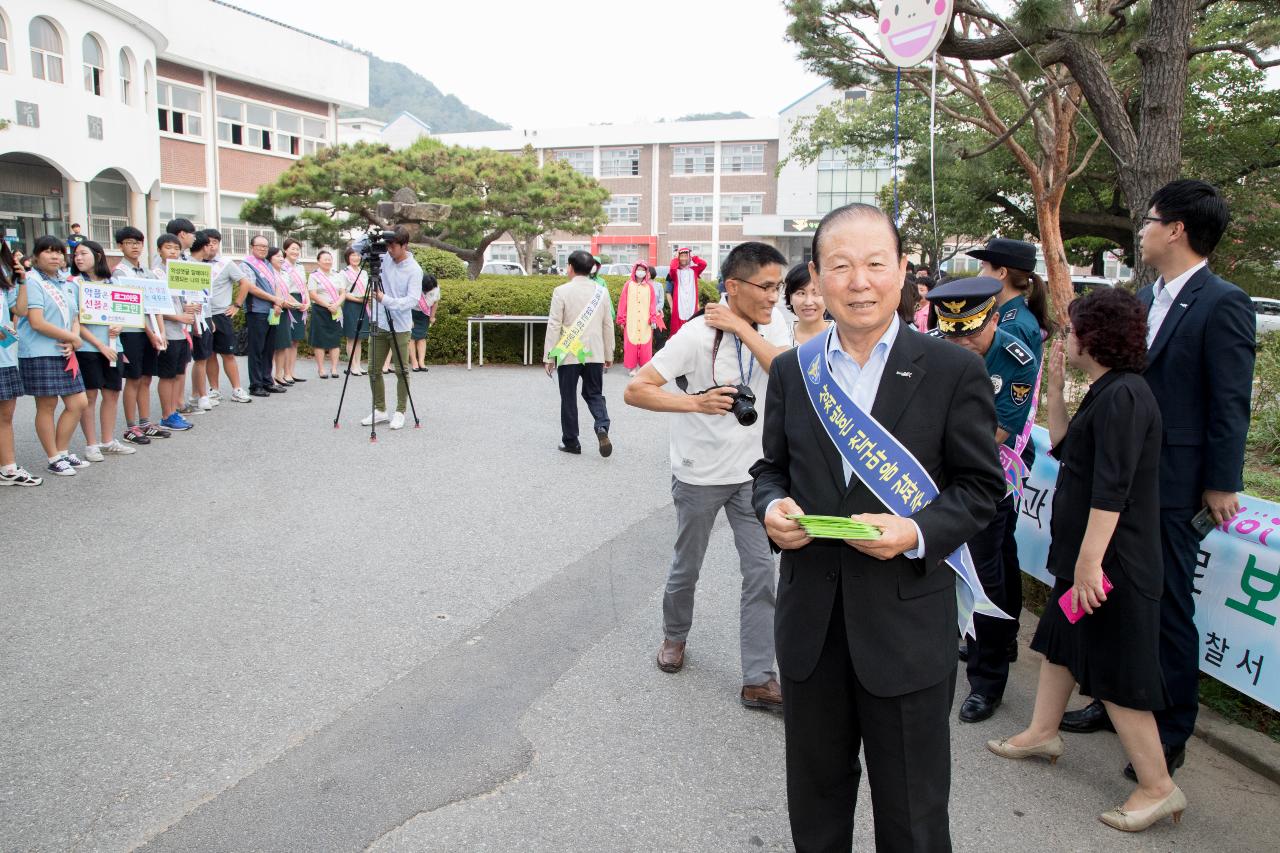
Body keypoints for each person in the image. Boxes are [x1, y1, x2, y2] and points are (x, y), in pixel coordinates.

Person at [750, 204, 1004, 851]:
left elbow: (980, 489)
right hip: (811, 630)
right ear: (817, 275)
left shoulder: (952, 371)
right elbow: (770, 469)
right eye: (841, 265)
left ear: (902, 273)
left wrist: (915, 531)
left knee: (914, 817)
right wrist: (772, 508)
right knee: (816, 807)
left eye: (874, 263)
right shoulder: (792, 370)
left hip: (906, 631)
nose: (858, 280)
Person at [1059, 180, 1257, 782]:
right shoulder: (1143, 297)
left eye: (1148, 221)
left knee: (1164, 607)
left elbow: (1230, 400)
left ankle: (1169, 729)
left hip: (1173, 487)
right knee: (1106, 596)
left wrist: (1221, 482)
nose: (1140, 229)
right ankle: (1112, 699)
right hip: (1121, 479)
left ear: (1176, 229)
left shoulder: (1223, 302)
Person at [988, 286, 1185, 833]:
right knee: (1062, 642)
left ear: (1094, 337)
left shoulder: (1125, 396)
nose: (1066, 338)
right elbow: (1065, 444)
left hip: (1111, 564)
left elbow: (1112, 490)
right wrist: (1054, 387)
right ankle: (1041, 732)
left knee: (1116, 672)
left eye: (1072, 330)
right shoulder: (1109, 389)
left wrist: (1089, 566)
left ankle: (1158, 787)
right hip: (1087, 557)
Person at [625, 241, 791, 710]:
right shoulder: (696, 336)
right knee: (686, 567)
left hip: (756, 476)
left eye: (778, 286)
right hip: (699, 475)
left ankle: (759, 677)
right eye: (765, 286)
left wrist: (741, 325)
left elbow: (783, 370)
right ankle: (674, 636)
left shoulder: (773, 324)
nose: (774, 296)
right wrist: (695, 402)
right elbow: (636, 390)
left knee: (762, 573)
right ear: (733, 286)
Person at [925, 276, 1038, 724]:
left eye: (971, 332)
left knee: (985, 578)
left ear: (994, 319)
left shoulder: (1015, 358)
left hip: (985, 480)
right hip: (934, 479)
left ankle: (987, 682)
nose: (961, 343)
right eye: (953, 332)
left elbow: (1000, 432)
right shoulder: (931, 345)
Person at [965, 237, 1058, 667]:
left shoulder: (1013, 326)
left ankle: (995, 648)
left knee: (991, 561)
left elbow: (1006, 409)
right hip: (990, 453)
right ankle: (997, 639)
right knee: (999, 554)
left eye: (984, 267)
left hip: (997, 458)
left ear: (1000, 273)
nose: (980, 274)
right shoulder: (1006, 315)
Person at [15, 236, 90, 476]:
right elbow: (36, 322)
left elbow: (75, 317)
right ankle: (53, 456)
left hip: (65, 350)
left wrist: (73, 338)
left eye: (59, 252)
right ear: (36, 256)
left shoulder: (66, 282)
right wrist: (73, 338)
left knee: (79, 402)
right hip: (39, 351)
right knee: (46, 405)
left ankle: (63, 451)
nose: (55, 256)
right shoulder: (33, 281)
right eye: (48, 252)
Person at [542, 250, 615, 455]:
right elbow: (607, 325)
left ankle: (571, 442)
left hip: (568, 353)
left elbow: (554, 325)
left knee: (568, 397)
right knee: (594, 393)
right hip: (594, 353)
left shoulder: (561, 291)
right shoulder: (601, 292)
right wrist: (608, 354)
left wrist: (549, 356)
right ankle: (601, 425)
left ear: (571, 268)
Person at [70, 240, 134, 461]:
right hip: (88, 348)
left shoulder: (113, 283)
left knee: (112, 393)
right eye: (75, 254)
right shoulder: (75, 284)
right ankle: (91, 444)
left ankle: (107, 441)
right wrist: (99, 345)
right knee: (89, 396)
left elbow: (127, 311)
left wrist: (120, 325)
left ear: (98, 256)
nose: (78, 258)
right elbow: (76, 321)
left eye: (83, 253)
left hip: (115, 346)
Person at [112, 227, 170, 443]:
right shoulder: (119, 272)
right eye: (129, 242)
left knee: (146, 378)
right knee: (134, 379)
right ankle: (131, 426)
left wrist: (161, 332)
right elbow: (132, 308)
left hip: (151, 332)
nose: (134, 246)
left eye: (138, 242)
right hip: (131, 332)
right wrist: (152, 332)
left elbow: (157, 305)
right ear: (120, 246)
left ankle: (145, 422)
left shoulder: (147, 272)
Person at [362, 227, 422, 430]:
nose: (389, 249)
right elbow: (356, 248)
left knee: (401, 371)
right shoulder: (384, 258)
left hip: (400, 326)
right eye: (387, 245)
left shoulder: (414, 269)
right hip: (380, 322)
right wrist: (373, 235)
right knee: (372, 369)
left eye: (393, 245)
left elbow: (412, 300)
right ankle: (379, 410)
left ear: (404, 245)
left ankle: (400, 411)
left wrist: (384, 299)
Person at [0, 242, 41, 485]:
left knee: (5, 415)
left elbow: (21, 310)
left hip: (4, 356)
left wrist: (22, 280)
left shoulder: (5, 279)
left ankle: (8, 468)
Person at [202, 229, 252, 403]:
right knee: (209, 354)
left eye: (215, 242)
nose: (211, 246)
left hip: (221, 314)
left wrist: (237, 305)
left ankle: (237, 389)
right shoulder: (193, 263)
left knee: (228, 354)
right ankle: (214, 389)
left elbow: (245, 283)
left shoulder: (225, 263)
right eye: (208, 242)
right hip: (201, 315)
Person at [154, 234, 198, 432]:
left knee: (178, 373)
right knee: (167, 375)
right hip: (168, 332)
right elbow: (155, 306)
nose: (172, 251)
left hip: (182, 332)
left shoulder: (181, 272)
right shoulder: (155, 274)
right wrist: (179, 317)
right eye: (168, 248)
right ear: (159, 251)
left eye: (176, 248)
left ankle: (173, 411)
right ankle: (166, 415)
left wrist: (189, 308)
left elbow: (182, 300)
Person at [239, 235, 287, 397]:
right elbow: (251, 288)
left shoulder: (267, 263)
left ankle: (267, 380)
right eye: (259, 246)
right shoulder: (247, 264)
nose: (262, 249)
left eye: (265, 246)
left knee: (269, 348)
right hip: (256, 310)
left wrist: (278, 303)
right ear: (251, 246)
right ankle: (256, 384)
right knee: (257, 349)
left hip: (272, 311)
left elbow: (276, 285)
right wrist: (274, 299)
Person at [184, 232, 217, 415]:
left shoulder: (203, 267)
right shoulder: (186, 265)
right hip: (190, 318)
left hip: (203, 317)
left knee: (202, 356)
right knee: (200, 357)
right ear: (204, 246)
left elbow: (206, 297)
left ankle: (198, 394)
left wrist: (209, 318)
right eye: (210, 244)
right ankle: (201, 395)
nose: (212, 247)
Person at [617, 261, 663, 376]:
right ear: (634, 270)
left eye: (643, 270)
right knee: (631, 343)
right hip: (631, 320)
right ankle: (632, 367)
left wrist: (653, 319)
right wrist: (622, 319)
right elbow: (623, 303)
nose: (640, 272)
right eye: (639, 269)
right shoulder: (628, 285)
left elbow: (652, 304)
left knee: (645, 343)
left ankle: (644, 367)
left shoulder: (649, 287)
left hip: (645, 320)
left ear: (646, 272)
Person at [307, 249, 346, 378]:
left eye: (330, 259)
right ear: (318, 261)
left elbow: (343, 293)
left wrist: (336, 304)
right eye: (325, 259)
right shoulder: (314, 276)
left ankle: (334, 368)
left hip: (335, 310)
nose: (328, 261)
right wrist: (327, 305)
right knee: (320, 341)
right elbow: (312, 294)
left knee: (335, 340)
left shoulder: (337, 275)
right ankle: (321, 369)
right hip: (321, 310)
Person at [267, 247, 302, 386]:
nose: (281, 259)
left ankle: (279, 375)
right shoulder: (268, 273)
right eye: (277, 256)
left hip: (284, 311)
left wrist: (298, 304)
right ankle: (268, 376)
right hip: (272, 311)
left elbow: (286, 293)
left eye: (282, 256)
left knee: (283, 344)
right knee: (272, 345)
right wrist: (283, 303)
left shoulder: (285, 274)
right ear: (269, 258)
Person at [281, 237, 309, 383]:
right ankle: (284, 373)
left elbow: (304, 286)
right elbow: (284, 289)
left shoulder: (300, 267)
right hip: (289, 302)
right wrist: (297, 303)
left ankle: (291, 371)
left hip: (301, 302)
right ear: (285, 250)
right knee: (288, 340)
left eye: (297, 249)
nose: (295, 251)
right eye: (292, 248)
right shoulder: (282, 266)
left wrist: (307, 302)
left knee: (296, 340)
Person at [783, 262, 828, 346]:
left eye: (815, 293)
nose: (808, 302)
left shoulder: (843, 337)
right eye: (801, 293)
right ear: (790, 298)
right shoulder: (779, 338)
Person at [666, 247, 707, 338]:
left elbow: (703, 264)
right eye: (682, 256)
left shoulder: (694, 270)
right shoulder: (675, 272)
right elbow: (672, 268)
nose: (684, 258)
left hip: (692, 306)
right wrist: (676, 258)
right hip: (679, 307)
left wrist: (693, 257)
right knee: (677, 332)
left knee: (692, 331)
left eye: (686, 256)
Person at [341, 247, 369, 376]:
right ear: (348, 257)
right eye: (352, 255)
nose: (356, 258)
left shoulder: (364, 272)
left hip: (364, 306)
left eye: (358, 255)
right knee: (352, 337)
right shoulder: (344, 273)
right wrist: (359, 300)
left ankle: (358, 364)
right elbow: (343, 293)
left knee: (359, 338)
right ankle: (352, 365)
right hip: (351, 305)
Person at [408, 272, 439, 373]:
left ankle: (421, 362)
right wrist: (409, 319)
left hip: (424, 314)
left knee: (422, 338)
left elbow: (435, 302)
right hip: (412, 312)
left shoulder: (436, 287)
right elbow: (406, 302)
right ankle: (414, 363)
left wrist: (432, 316)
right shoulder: (414, 286)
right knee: (411, 338)